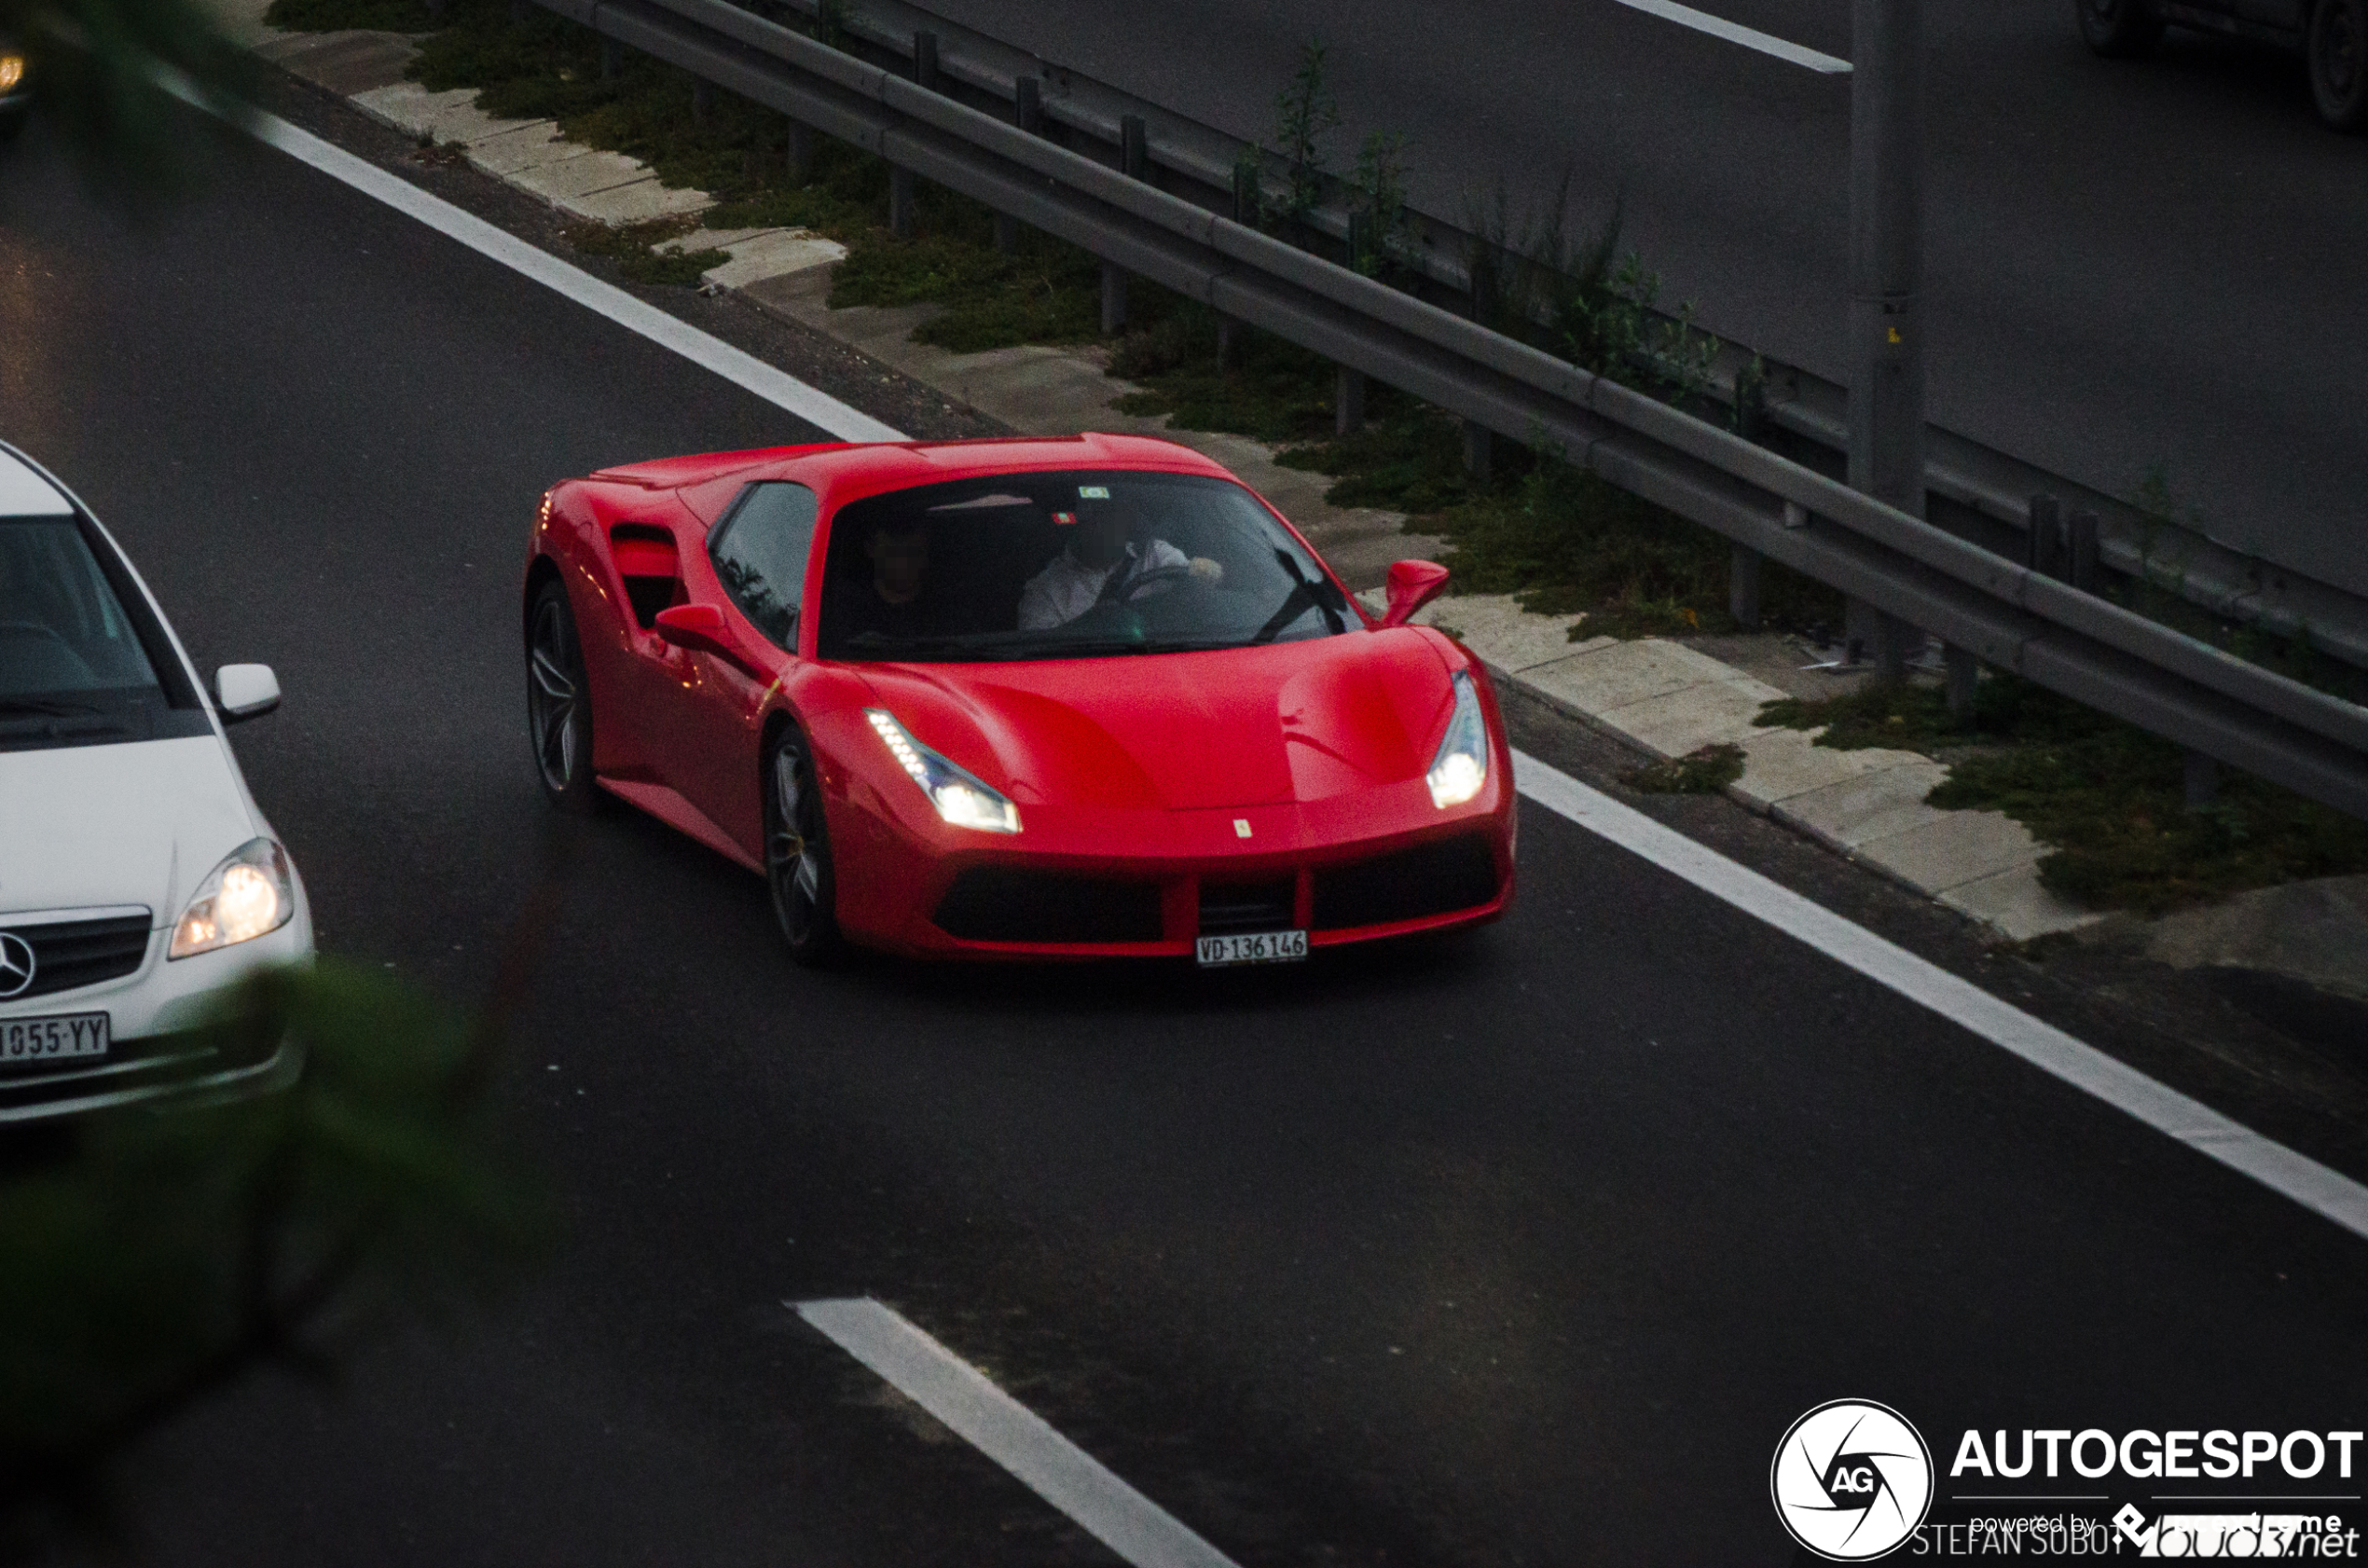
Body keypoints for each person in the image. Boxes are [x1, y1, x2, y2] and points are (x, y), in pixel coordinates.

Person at [1017, 494, 1223, 631]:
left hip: (1170, 658)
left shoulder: (1154, 554)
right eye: (1095, 518)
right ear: (1078, 525)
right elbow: (1040, 660)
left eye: (1111, 517)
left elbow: (1201, 586)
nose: (1104, 528)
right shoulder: (1045, 593)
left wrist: (1204, 571)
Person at [823, 516, 940, 650]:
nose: (902, 563)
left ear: (927, 552)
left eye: (912, 553)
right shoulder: (841, 610)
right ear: (870, 549)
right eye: (893, 552)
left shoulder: (946, 609)